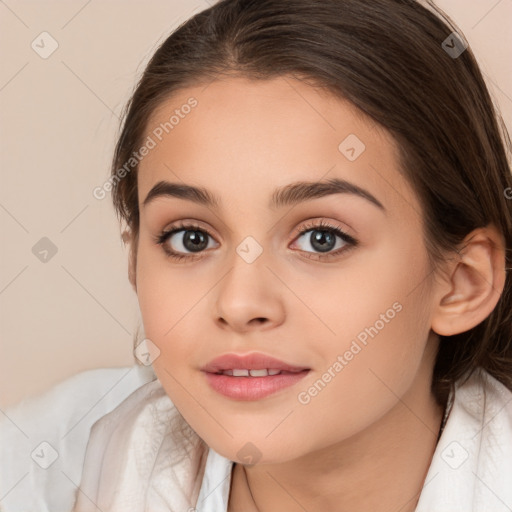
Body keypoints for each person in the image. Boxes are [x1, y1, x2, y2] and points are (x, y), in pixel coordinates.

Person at [1, 1, 511, 511]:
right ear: (134, 261)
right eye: (190, 239)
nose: (240, 303)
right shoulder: (39, 468)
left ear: (462, 282)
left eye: (321, 239)